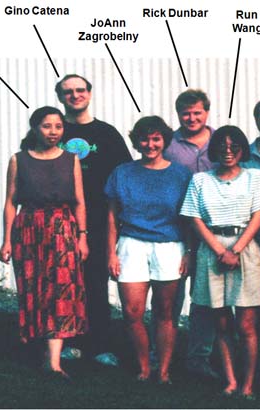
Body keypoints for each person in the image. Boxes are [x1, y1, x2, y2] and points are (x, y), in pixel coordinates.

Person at [180, 125, 260, 399]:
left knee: (246, 325)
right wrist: (220, 250)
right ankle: (230, 381)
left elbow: (259, 216)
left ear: (242, 149)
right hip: (212, 250)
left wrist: (236, 250)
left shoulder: (256, 177)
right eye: (222, 146)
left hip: (246, 248)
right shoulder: (200, 180)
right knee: (220, 323)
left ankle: (248, 383)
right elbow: (194, 218)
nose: (228, 151)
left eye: (234, 146)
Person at [0, 106, 88, 380]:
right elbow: (11, 202)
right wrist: (6, 240)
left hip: (62, 229)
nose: (53, 132)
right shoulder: (19, 160)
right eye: (47, 126)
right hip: (28, 230)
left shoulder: (71, 159)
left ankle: (54, 363)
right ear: (35, 128)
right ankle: (42, 351)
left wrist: (82, 236)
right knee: (35, 289)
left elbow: (79, 202)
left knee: (61, 290)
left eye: (58, 126)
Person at [105, 116, 192, 384]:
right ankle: (144, 367)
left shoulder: (181, 175)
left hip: (169, 246)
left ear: (165, 141)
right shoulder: (122, 172)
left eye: (156, 139)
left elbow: (189, 217)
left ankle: (163, 371)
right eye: (144, 139)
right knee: (132, 312)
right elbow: (111, 217)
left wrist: (189, 252)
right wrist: (111, 253)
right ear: (136, 141)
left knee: (165, 312)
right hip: (131, 244)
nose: (150, 144)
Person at [55, 74, 132, 366]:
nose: (75, 95)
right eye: (68, 92)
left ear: (89, 93)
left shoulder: (106, 133)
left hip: (99, 220)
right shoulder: (53, 130)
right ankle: (69, 343)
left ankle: (100, 345)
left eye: (80, 90)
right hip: (59, 219)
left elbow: (124, 175)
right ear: (60, 97)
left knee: (96, 283)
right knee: (64, 284)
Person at [162, 89, 219, 379]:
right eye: (186, 113)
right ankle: (163, 354)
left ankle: (199, 357)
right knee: (171, 295)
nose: (192, 118)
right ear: (178, 114)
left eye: (197, 112)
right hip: (176, 227)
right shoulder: (167, 145)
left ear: (207, 112)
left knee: (205, 297)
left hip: (213, 229)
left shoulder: (222, 141)